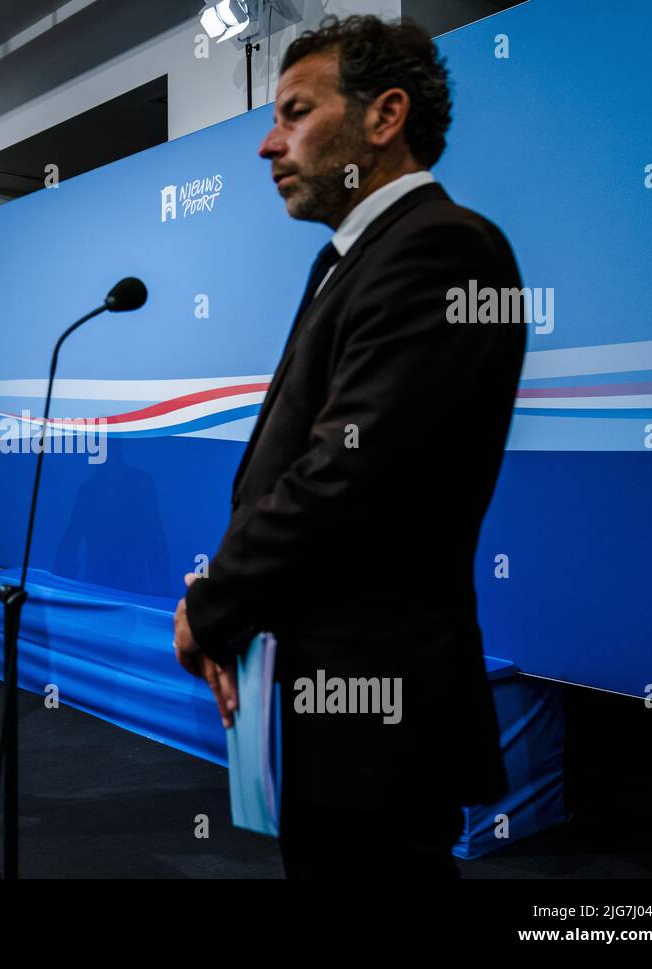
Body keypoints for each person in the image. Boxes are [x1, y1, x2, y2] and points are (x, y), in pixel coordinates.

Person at [172, 15, 524, 878]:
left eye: (295, 111)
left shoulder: (443, 249)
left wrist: (216, 600)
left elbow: (344, 473)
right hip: (331, 677)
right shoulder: (354, 258)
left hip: (384, 697)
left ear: (385, 115)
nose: (268, 144)